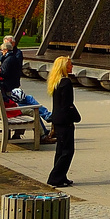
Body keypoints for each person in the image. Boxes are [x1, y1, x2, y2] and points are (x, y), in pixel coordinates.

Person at [46, 56, 81, 188]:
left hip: (57, 119)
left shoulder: (56, 81)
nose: (72, 67)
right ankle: (55, 178)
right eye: (70, 65)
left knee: (60, 150)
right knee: (67, 151)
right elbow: (68, 104)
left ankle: (61, 176)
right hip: (65, 120)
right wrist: (75, 117)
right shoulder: (66, 82)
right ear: (64, 67)